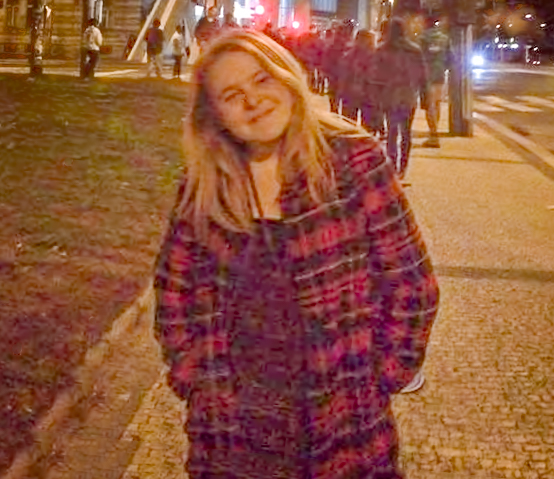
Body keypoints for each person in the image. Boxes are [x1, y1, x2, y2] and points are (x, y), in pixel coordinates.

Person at [155, 29, 439, 479]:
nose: (253, 100)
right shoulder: (207, 183)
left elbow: (411, 284)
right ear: (215, 115)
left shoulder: (353, 160)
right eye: (231, 94)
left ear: (287, 77)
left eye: (262, 80)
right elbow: (175, 290)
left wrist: (381, 376)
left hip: (341, 421)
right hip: (232, 432)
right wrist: (193, 378)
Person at [374, 18, 428, 180]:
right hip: (408, 95)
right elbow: (422, 75)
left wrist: (375, 96)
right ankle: (403, 167)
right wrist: (425, 97)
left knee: (392, 131)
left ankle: (392, 165)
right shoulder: (415, 50)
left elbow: (375, 75)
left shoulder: (382, 49)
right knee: (406, 132)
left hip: (390, 96)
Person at [419, 16, 450, 148]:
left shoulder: (422, 39)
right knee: (436, 104)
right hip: (440, 75)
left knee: (429, 105)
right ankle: (434, 132)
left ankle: (433, 134)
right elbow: (450, 57)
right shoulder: (444, 39)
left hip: (426, 76)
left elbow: (418, 57)